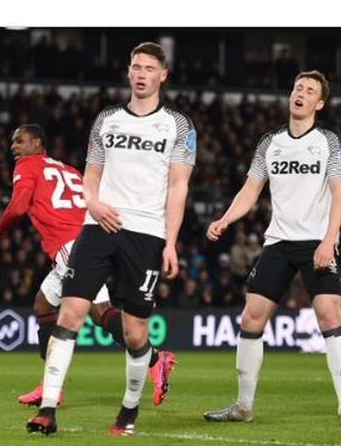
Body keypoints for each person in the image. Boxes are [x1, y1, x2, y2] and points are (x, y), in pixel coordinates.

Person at [25, 42, 197, 436]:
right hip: (98, 227)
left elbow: (178, 187)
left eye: (149, 68)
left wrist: (171, 242)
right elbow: (91, 175)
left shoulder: (179, 125)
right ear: (128, 72)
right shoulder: (106, 120)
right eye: (135, 66)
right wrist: (94, 204)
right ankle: (48, 410)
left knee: (136, 334)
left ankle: (128, 410)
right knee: (70, 313)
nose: (140, 73)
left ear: (162, 75)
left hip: (147, 234)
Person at [203, 70, 341, 428]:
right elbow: (250, 191)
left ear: (320, 103)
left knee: (329, 315)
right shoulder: (270, 142)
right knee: (251, 317)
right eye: (297, 88)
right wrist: (225, 219)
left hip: (316, 242)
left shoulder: (330, 140)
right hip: (279, 241)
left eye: (309, 91)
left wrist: (328, 240)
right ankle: (243, 406)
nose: (300, 94)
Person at [0, 124, 176, 408]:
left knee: (100, 312)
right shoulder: (70, 170)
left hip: (71, 247)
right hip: (85, 239)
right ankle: (50, 385)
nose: (14, 147)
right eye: (13, 143)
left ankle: (153, 357)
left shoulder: (28, 165)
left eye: (20, 141)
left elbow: (17, 207)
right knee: (43, 304)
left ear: (38, 143)